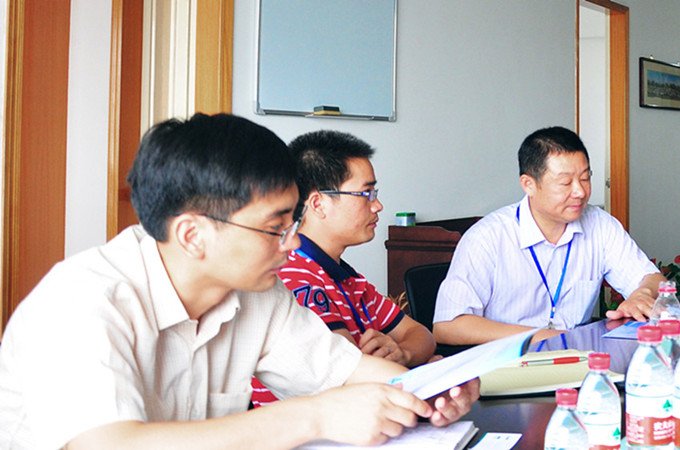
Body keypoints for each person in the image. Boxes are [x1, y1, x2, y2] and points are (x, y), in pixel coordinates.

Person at [0, 114, 478, 449]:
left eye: (292, 224)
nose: (293, 244)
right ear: (192, 234)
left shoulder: (258, 295)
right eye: (274, 228)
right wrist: (315, 415)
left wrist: (433, 391)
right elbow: (108, 444)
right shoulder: (79, 303)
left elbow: (349, 372)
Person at [251, 130, 437, 407]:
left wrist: (403, 355)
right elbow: (347, 375)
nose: (377, 205)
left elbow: (422, 337)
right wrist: (419, 371)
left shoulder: (349, 278)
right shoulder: (295, 276)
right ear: (318, 204)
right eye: (366, 194)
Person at [433, 126, 665, 346]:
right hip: (509, 360)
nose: (580, 192)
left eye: (585, 178)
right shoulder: (487, 238)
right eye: (565, 183)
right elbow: (448, 326)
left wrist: (642, 294)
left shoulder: (601, 225)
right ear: (529, 184)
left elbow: (653, 279)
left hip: (576, 357)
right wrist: (545, 337)